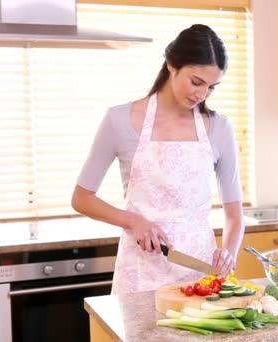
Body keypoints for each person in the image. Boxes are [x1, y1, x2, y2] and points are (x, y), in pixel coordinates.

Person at [71, 24, 244, 295]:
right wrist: (133, 221)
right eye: (197, 82)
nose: (202, 94)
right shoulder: (119, 120)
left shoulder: (219, 128)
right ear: (172, 65)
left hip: (199, 273)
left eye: (211, 88)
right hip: (140, 274)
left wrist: (228, 256)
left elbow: (235, 215)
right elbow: (81, 198)